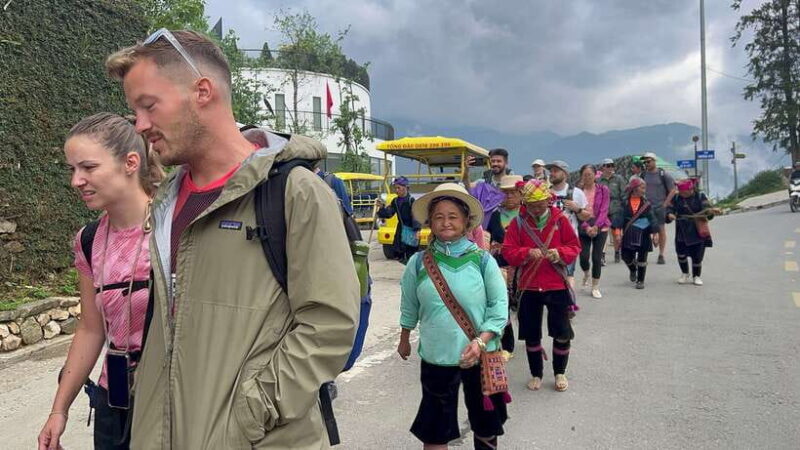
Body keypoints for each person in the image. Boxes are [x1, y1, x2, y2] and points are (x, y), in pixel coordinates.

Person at [106, 29, 360, 448]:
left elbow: (330, 322)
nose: (141, 125)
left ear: (202, 91)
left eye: (149, 106)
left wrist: (250, 412)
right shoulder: (167, 199)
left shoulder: (295, 191)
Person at [38, 113, 163, 450]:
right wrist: (59, 410)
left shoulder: (175, 228)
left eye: (88, 168)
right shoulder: (89, 240)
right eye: (72, 170)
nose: (77, 180)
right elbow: (91, 329)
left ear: (130, 163)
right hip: (114, 400)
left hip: (170, 400)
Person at [397, 183, 509, 450]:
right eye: (438, 217)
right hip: (438, 355)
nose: (445, 222)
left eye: (452, 216)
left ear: (466, 221)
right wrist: (404, 338)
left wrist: (481, 341)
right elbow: (409, 304)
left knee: (485, 422)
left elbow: (498, 306)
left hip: (480, 354)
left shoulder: (482, 260)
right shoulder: (418, 263)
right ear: (430, 223)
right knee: (435, 427)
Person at [502, 180, 581, 392]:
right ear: (525, 203)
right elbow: (508, 251)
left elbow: (574, 246)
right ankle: (536, 373)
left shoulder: (560, 221)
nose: (536, 209)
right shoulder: (518, 224)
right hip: (529, 286)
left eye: (540, 204)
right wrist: (526, 253)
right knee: (531, 333)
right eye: (532, 205)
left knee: (562, 332)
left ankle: (559, 372)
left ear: (548, 200)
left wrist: (560, 254)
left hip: (556, 284)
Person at [486, 175, 524, 359]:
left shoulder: (527, 215)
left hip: (524, 269)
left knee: (525, 308)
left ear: (520, 193)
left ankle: (532, 340)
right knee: (503, 307)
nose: (509, 196)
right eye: (506, 193)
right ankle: (507, 346)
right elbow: (488, 238)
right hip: (500, 268)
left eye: (513, 193)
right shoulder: (494, 215)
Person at [666, 179, 720, 286]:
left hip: (697, 229)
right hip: (682, 229)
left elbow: (707, 208)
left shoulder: (700, 196)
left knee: (697, 255)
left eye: (683, 191)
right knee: (681, 253)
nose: (681, 193)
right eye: (680, 191)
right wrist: (669, 215)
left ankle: (696, 276)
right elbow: (669, 208)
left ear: (691, 189)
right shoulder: (677, 197)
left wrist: (709, 211)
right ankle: (685, 273)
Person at [546, 160, 591, 286]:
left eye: (556, 171)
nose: (552, 174)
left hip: (568, 243)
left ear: (565, 174)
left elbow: (587, 216)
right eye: (551, 171)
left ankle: (568, 302)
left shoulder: (576, 193)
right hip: (547, 242)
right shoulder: (545, 193)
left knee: (567, 275)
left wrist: (577, 209)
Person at [576, 164, 610, 299]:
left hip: (600, 226)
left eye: (589, 175)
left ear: (595, 175)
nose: (587, 177)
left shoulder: (603, 190)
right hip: (584, 226)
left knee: (597, 258)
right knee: (584, 257)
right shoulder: (578, 192)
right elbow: (576, 212)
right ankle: (586, 273)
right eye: (584, 175)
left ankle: (595, 286)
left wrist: (596, 226)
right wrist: (586, 227)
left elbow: (604, 209)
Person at [620, 177, 657, 289]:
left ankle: (640, 280)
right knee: (626, 256)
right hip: (629, 232)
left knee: (642, 258)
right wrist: (617, 232)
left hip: (644, 233)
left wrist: (655, 233)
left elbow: (653, 218)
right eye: (642, 187)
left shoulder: (647, 203)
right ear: (634, 189)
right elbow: (619, 217)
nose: (644, 190)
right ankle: (632, 269)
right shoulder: (625, 202)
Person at [641, 152, 676, 265]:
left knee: (661, 229)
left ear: (654, 161)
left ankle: (661, 254)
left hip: (659, 206)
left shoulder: (663, 174)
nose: (646, 163)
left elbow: (673, 190)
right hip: (646, 207)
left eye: (648, 161)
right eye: (645, 162)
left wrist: (665, 204)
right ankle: (645, 251)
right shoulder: (643, 175)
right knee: (645, 228)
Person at [377, 176, 421, 263]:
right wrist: (381, 208)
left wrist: (417, 230)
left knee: (411, 255)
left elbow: (416, 216)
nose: (396, 190)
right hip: (400, 230)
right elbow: (389, 213)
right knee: (399, 254)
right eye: (395, 188)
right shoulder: (395, 201)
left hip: (410, 230)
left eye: (399, 188)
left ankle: (412, 273)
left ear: (406, 188)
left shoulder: (411, 200)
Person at [597, 158, 626, 263]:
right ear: (603, 167)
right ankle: (602, 255)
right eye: (608, 166)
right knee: (603, 232)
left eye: (612, 165)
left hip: (616, 208)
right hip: (603, 209)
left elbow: (624, 193)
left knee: (615, 233)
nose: (610, 168)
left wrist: (625, 207)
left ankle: (617, 252)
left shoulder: (618, 179)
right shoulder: (599, 180)